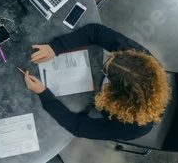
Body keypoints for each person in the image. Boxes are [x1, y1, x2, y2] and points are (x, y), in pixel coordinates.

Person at [23, 23, 170, 140]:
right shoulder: (139, 61)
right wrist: (56, 48)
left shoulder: (133, 127)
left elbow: (77, 127)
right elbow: (96, 32)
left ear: (116, 96)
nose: (104, 66)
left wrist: (43, 94)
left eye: (106, 72)